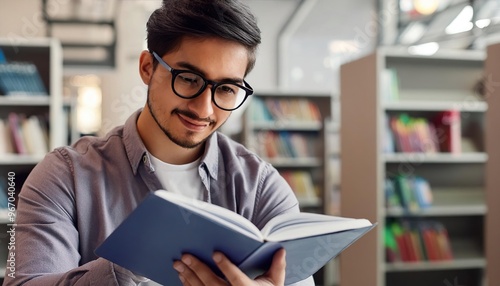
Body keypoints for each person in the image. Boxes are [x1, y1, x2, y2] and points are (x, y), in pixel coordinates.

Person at [3, 0, 314, 285]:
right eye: (189, 79)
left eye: (227, 89)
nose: (204, 109)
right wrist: (131, 263)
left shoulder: (260, 185)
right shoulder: (66, 175)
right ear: (147, 68)